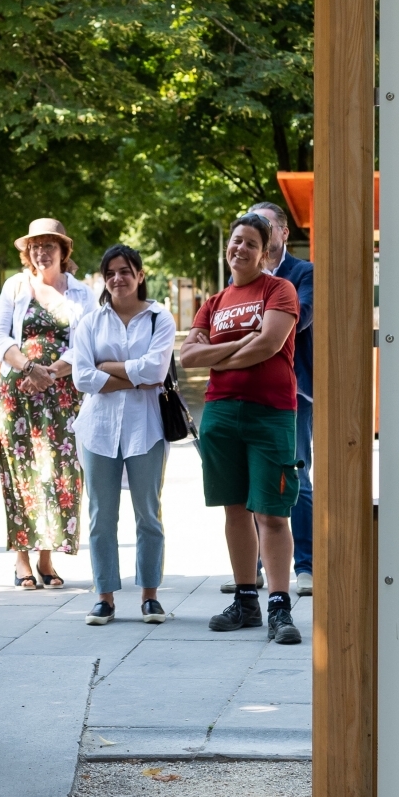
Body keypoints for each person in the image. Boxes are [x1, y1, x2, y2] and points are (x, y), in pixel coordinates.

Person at [181, 212, 303, 644]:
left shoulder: (279, 289)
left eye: (251, 242)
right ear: (227, 247)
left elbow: (271, 343)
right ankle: (246, 601)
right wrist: (240, 347)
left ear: (265, 250)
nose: (241, 248)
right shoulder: (212, 302)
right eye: (236, 241)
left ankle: (279, 606)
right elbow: (187, 358)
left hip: (270, 413)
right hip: (220, 413)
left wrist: (217, 352)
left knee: (272, 513)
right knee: (234, 509)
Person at [59, 245, 175, 626]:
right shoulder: (91, 322)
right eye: (110, 273)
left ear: (140, 275)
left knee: (148, 514)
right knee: (100, 516)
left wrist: (107, 367)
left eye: (125, 271)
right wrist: (131, 375)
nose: (117, 279)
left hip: (147, 428)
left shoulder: (160, 318)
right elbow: (81, 378)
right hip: (98, 430)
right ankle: (104, 596)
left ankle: (150, 596)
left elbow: (157, 371)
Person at [0, 218, 92, 589]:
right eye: (35, 245)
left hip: (65, 394)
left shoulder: (81, 293)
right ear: (27, 251)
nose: (41, 251)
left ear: (64, 251)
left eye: (49, 245)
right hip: (18, 396)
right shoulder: (16, 286)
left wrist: (54, 372)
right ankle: (22, 560)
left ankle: (46, 559)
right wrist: (31, 368)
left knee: (60, 473)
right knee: (21, 474)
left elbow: (87, 342)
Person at [250, 199, 314, 596]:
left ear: (284, 233)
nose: (258, 231)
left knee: (295, 475)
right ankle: (253, 566)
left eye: (266, 225)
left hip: (294, 390)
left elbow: (301, 317)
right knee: (254, 479)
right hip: (249, 388)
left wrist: (260, 322)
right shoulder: (242, 273)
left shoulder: (303, 272)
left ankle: (305, 567)